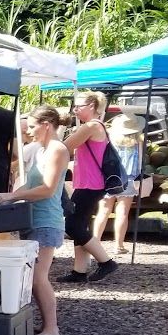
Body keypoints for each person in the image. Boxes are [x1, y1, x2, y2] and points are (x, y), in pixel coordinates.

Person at [0, 106, 68, 335]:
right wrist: (9, 196)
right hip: (31, 218)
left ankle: (52, 328)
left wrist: (14, 197)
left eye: (33, 127)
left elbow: (47, 189)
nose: (30, 132)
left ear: (47, 125)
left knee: (39, 276)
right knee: (31, 276)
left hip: (47, 221)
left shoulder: (57, 149)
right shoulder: (41, 150)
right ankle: (45, 324)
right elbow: (30, 185)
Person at [60, 91, 120, 282]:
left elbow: (64, 147)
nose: (75, 110)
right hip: (89, 183)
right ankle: (79, 271)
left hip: (91, 184)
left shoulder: (91, 126)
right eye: (74, 106)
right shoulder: (95, 126)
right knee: (80, 224)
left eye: (79, 106)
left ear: (92, 107)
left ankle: (106, 261)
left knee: (72, 224)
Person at [89, 112, 145, 255]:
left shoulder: (109, 139)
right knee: (122, 213)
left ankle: (95, 243)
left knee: (103, 211)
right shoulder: (138, 141)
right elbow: (140, 164)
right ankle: (118, 245)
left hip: (109, 177)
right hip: (129, 179)